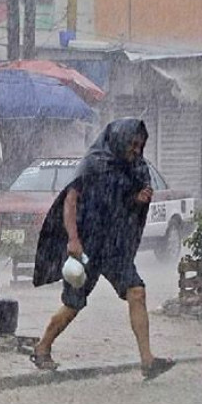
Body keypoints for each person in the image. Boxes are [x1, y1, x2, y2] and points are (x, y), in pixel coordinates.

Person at [31, 118, 176, 380]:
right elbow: (70, 202)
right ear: (119, 139)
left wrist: (138, 199)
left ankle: (148, 361)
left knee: (137, 292)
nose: (135, 150)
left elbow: (125, 203)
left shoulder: (136, 168)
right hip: (88, 244)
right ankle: (42, 347)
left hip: (116, 246)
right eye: (132, 144)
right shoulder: (93, 163)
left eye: (140, 145)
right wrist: (73, 240)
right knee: (73, 305)